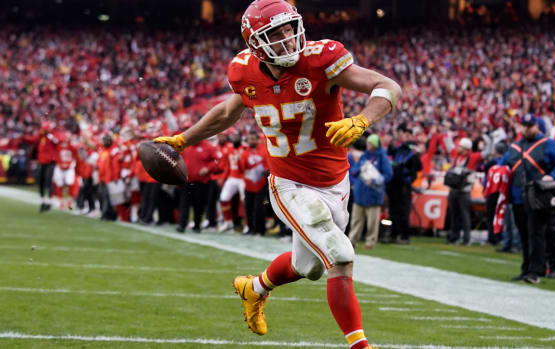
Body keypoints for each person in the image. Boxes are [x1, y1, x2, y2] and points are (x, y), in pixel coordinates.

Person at [154, 1, 400, 347]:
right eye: (276, 33)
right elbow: (228, 111)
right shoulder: (244, 71)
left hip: (335, 181)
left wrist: (362, 120)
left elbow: (386, 85)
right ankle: (360, 345)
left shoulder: (322, 59)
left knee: (308, 268)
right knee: (340, 256)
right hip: (289, 184)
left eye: (289, 28)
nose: (287, 38)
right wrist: (182, 140)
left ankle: (253, 288)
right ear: (256, 43)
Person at [498, 114, 555, 284]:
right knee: (523, 234)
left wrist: (552, 176)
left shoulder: (547, 144)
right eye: (524, 125)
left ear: (537, 127)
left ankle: (536, 271)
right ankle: (526, 268)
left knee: (536, 233)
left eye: (530, 126)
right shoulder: (514, 146)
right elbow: (503, 164)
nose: (526, 129)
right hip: (518, 196)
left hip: (539, 196)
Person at [349, 134, 392, 249]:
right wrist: (359, 169)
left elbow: (388, 174)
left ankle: (370, 242)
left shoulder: (382, 157)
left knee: (372, 221)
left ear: (375, 144)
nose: (367, 145)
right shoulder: (364, 156)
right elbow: (354, 170)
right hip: (360, 192)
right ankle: (352, 240)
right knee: (356, 219)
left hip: (374, 193)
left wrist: (375, 180)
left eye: (370, 143)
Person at [386, 124, 422, 244]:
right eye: (403, 133)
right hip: (394, 182)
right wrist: (394, 139)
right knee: (393, 209)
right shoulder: (399, 148)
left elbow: (418, 166)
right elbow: (390, 151)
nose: (404, 136)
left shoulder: (413, 149)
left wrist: (416, 154)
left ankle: (404, 235)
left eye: (407, 134)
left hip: (404, 183)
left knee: (403, 210)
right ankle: (394, 234)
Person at [446, 137, 476, 245]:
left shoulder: (472, 158)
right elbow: (449, 146)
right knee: (454, 214)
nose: (458, 148)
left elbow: (486, 153)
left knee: (464, 215)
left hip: (464, 190)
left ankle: (466, 238)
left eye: (460, 146)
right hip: (453, 188)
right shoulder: (456, 156)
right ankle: (454, 236)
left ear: (465, 148)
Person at [240, 131, 269, 235]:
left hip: (261, 183)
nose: (251, 141)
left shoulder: (264, 150)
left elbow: (268, 165)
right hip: (248, 184)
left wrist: (265, 170)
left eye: (253, 138)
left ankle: (260, 230)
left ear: (257, 139)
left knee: (259, 207)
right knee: (248, 207)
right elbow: (242, 167)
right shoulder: (244, 152)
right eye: (249, 139)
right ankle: (250, 228)